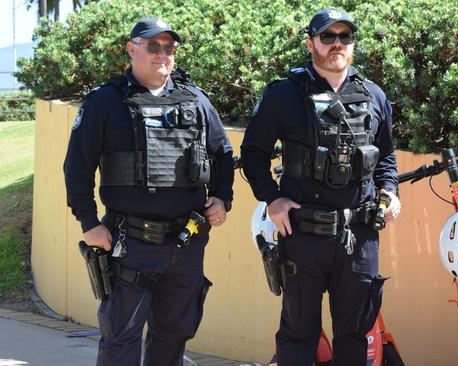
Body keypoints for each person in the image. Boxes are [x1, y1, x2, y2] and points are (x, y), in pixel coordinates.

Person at [63, 17, 234, 366]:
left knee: (173, 337)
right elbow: (77, 166)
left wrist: (222, 197)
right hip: (130, 243)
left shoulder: (196, 101)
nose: (162, 55)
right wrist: (88, 222)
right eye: (152, 46)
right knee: (120, 338)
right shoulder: (106, 101)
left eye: (168, 48)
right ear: (131, 49)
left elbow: (223, 154)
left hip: (186, 243)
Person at [241, 7, 401, 366]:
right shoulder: (284, 95)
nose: (337, 45)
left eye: (345, 37)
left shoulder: (373, 95)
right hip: (304, 236)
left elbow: (386, 156)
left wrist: (389, 191)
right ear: (311, 43)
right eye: (327, 37)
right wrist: (273, 198)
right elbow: (253, 153)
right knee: (298, 337)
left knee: (355, 338)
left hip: (360, 236)